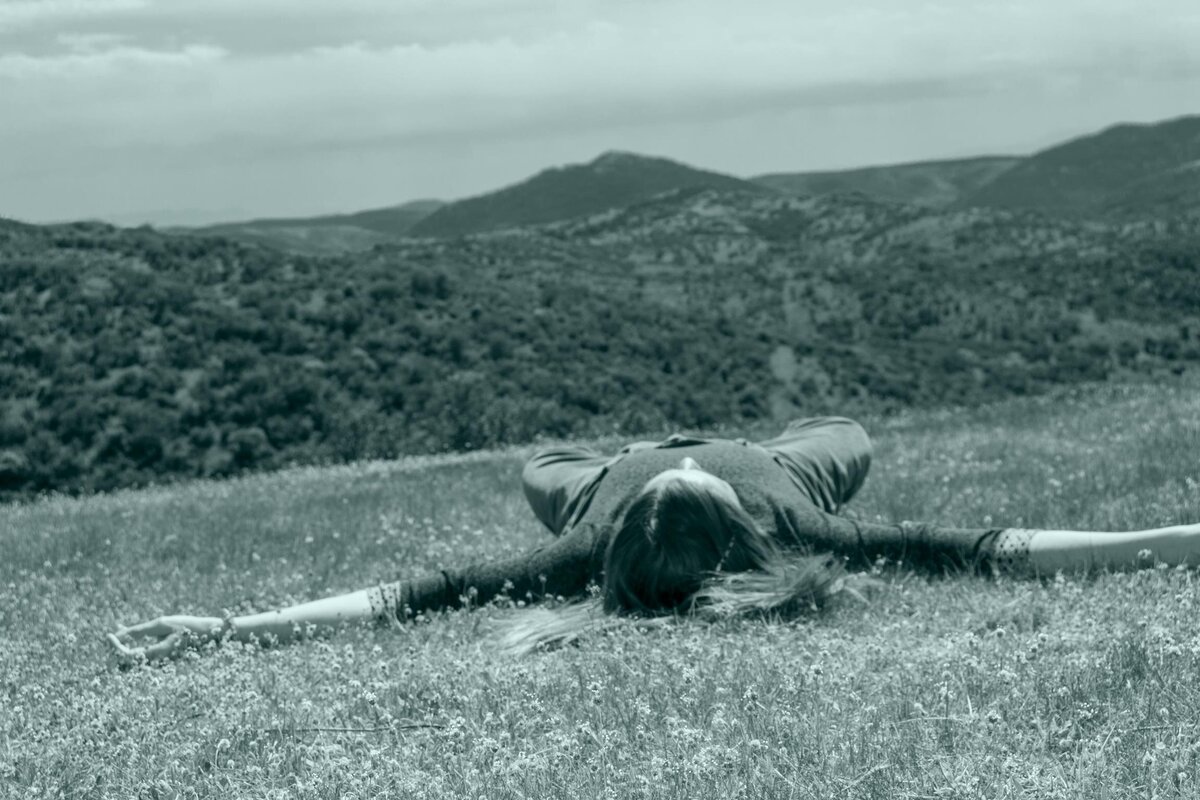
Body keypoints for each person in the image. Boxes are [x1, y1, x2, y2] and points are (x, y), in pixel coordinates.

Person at [107, 417, 1200, 662]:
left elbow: (406, 594)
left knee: (536, 462)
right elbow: (993, 548)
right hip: (776, 447)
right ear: (741, 520)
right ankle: (775, 436)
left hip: (593, 463)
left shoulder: (582, 545)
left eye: (666, 481)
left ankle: (590, 456)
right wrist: (1179, 536)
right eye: (688, 481)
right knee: (848, 433)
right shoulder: (796, 511)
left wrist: (230, 625)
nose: (678, 475)